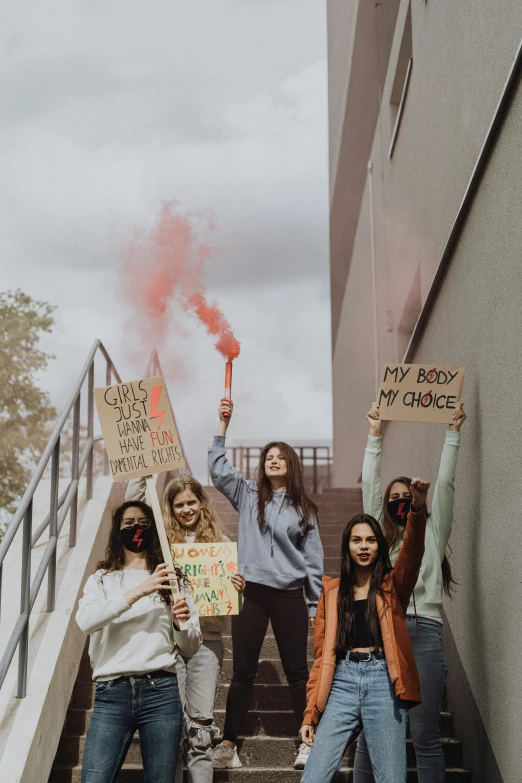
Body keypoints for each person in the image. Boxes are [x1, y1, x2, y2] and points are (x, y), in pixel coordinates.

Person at [354, 401, 466, 783]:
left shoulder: (433, 533)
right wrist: (374, 436)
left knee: (424, 735)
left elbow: (447, 486)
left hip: (426, 633)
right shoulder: (379, 539)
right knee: (372, 735)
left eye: (408, 496)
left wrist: (453, 434)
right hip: (384, 632)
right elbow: (369, 490)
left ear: (417, 500)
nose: (400, 501)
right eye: (394, 498)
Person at [209, 398, 324, 771]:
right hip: (251, 594)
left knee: (297, 672)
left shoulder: (304, 509)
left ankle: (307, 740)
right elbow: (217, 468)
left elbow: (313, 561)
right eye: (268, 457)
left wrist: (313, 605)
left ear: (290, 465)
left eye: (281, 457)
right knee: (243, 670)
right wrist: (223, 425)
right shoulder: (247, 494)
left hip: (290, 596)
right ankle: (229, 743)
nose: (273, 460)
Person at [299, 478, 430, 783]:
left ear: (379, 546)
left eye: (370, 540)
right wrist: (310, 714)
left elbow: (412, 552)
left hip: (383, 681)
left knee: (391, 778)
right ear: (347, 545)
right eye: (357, 540)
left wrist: (417, 509)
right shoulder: (330, 595)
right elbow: (320, 660)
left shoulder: (392, 587)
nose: (364, 546)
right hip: (342, 682)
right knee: (314, 777)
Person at [126, 474, 245, 783]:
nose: (186, 509)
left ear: (202, 503)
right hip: (169, 644)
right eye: (179, 504)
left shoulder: (222, 544)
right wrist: (142, 477)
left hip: (208, 642)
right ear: (170, 507)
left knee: (201, 729)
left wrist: (237, 590)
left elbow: (232, 606)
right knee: (172, 728)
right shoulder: (160, 545)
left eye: (191, 502)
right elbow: (135, 508)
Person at [76, 499, 201, 783]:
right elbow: (86, 621)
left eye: (143, 524)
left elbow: (191, 646)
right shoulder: (101, 579)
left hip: (161, 692)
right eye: (129, 523)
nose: (136, 529)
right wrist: (141, 589)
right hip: (112, 693)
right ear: (117, 530)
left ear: (153, 530)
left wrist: (178, 623)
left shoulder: (173, 580)